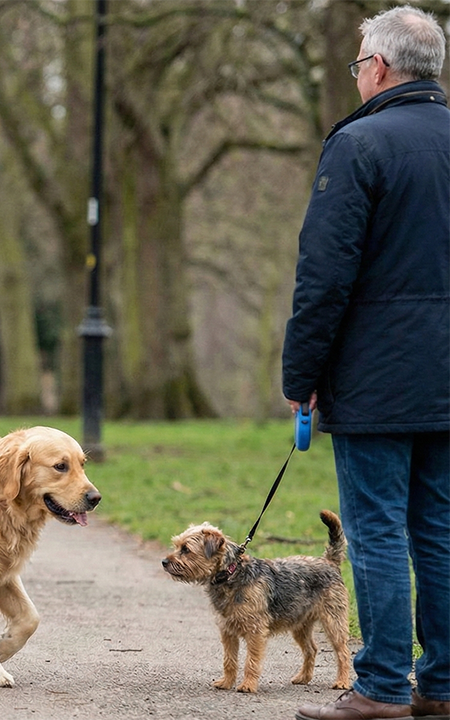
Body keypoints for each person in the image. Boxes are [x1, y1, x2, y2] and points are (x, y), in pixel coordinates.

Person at [283, 6, 450, 720]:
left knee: (376, 528)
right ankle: (441, 683)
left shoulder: (360, 144)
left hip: (378, 376)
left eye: (358, 65)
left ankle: (381, 685)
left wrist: (301, 374)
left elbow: (324, 274)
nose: (357, 76)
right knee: (439, 528)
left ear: (378, 68)